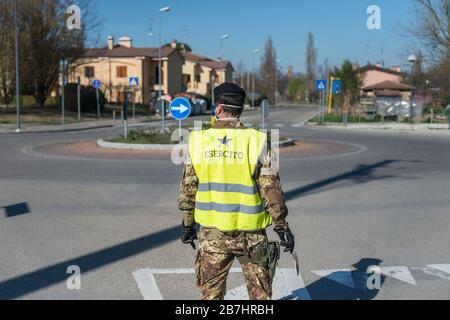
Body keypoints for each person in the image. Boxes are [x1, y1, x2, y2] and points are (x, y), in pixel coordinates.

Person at [178, 83, 295, 300]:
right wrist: (282, 227)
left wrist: (187, 225)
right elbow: (271, 189)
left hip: (213, 235)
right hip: (251, 236)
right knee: (260, 298)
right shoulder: (257, 140)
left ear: (219, 108)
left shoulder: (198, 141)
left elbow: (188, 189)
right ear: (240, 109)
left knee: (210, 296)